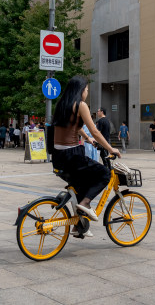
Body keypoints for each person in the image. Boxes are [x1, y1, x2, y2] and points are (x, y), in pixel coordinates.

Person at [51, 76, 120, 223]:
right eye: (87, 89)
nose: (87, 92)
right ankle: (86, 204)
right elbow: (94, 131)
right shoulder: (81, 105)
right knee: (104, 174)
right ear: (81, 90)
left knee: (81, 187)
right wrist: (110, 148)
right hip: (72, 155)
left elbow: (76, 126)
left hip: (58, 157)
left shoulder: (62, 104)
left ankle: (79, 225)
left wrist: (87, 139)